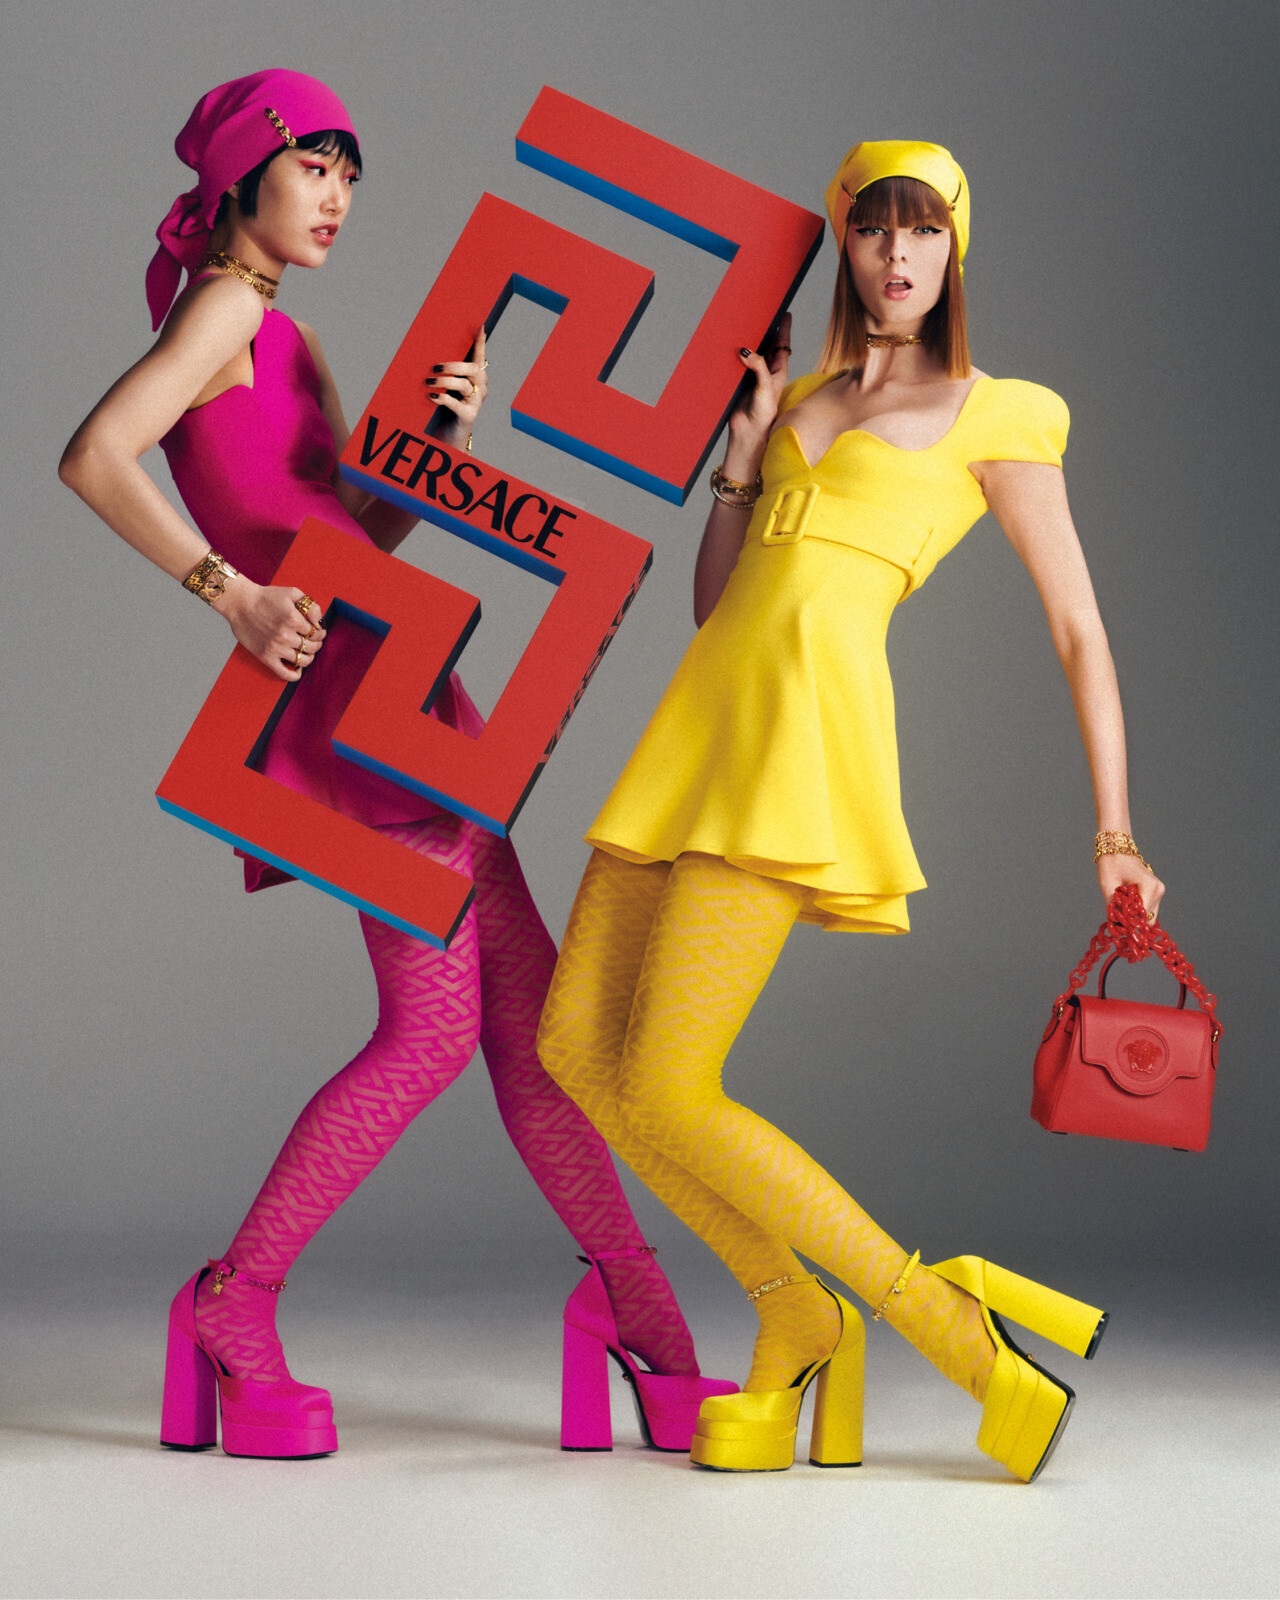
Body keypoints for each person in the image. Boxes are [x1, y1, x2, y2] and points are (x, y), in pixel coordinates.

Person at [59, 69, 732, 1461]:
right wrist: (230, 599)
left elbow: (346, 533)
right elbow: (96, 455)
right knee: (432, 1034)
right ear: (243, 176)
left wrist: (437, 448)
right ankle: (233, 1302)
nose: (338, 200)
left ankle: (640, 1315)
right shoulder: (223, 310)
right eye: (314, 168)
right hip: (349, 703)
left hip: (405, 685)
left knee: (532, 1028)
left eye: (351, 177)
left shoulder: (284, 334)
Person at [536, 140, 1164, 1481]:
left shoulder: (1000, 414)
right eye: (875, 229)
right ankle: (795, 1314)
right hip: (696, 734)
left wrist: (1115, 833)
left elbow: (1080, 631)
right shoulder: (803, 396)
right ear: (845, 244)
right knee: (577, 1050)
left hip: (800, 753)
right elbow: (719, 605)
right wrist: (740, 457)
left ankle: (952, 1332)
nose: (898, 255)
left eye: (924, 230)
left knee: (670, 1084)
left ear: (954, 249)